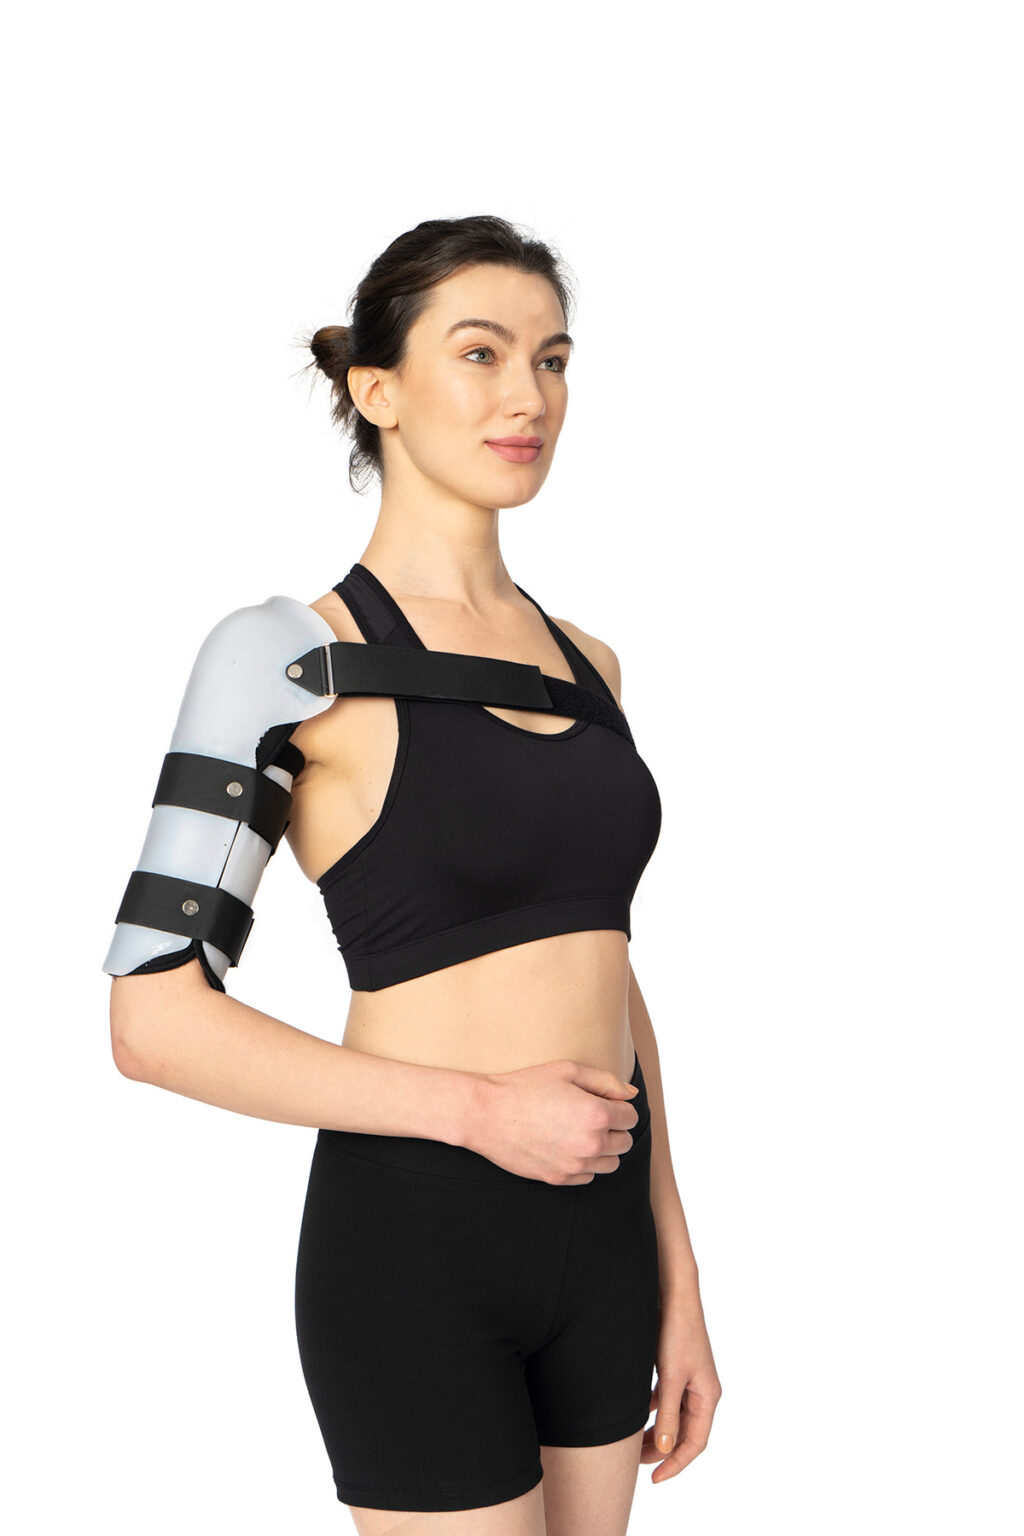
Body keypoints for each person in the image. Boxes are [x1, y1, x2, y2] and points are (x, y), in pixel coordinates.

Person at [106, 213, 721, 1534]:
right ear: (376, 391)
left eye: (552, 359)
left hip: (605, 1245)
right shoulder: (287, 657)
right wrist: (481, 1113)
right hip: (422, 1242)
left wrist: (677, 1275)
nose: (528, 396)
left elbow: (607, 976)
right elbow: (153, 1021)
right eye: (481, 353)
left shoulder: (589, 667)